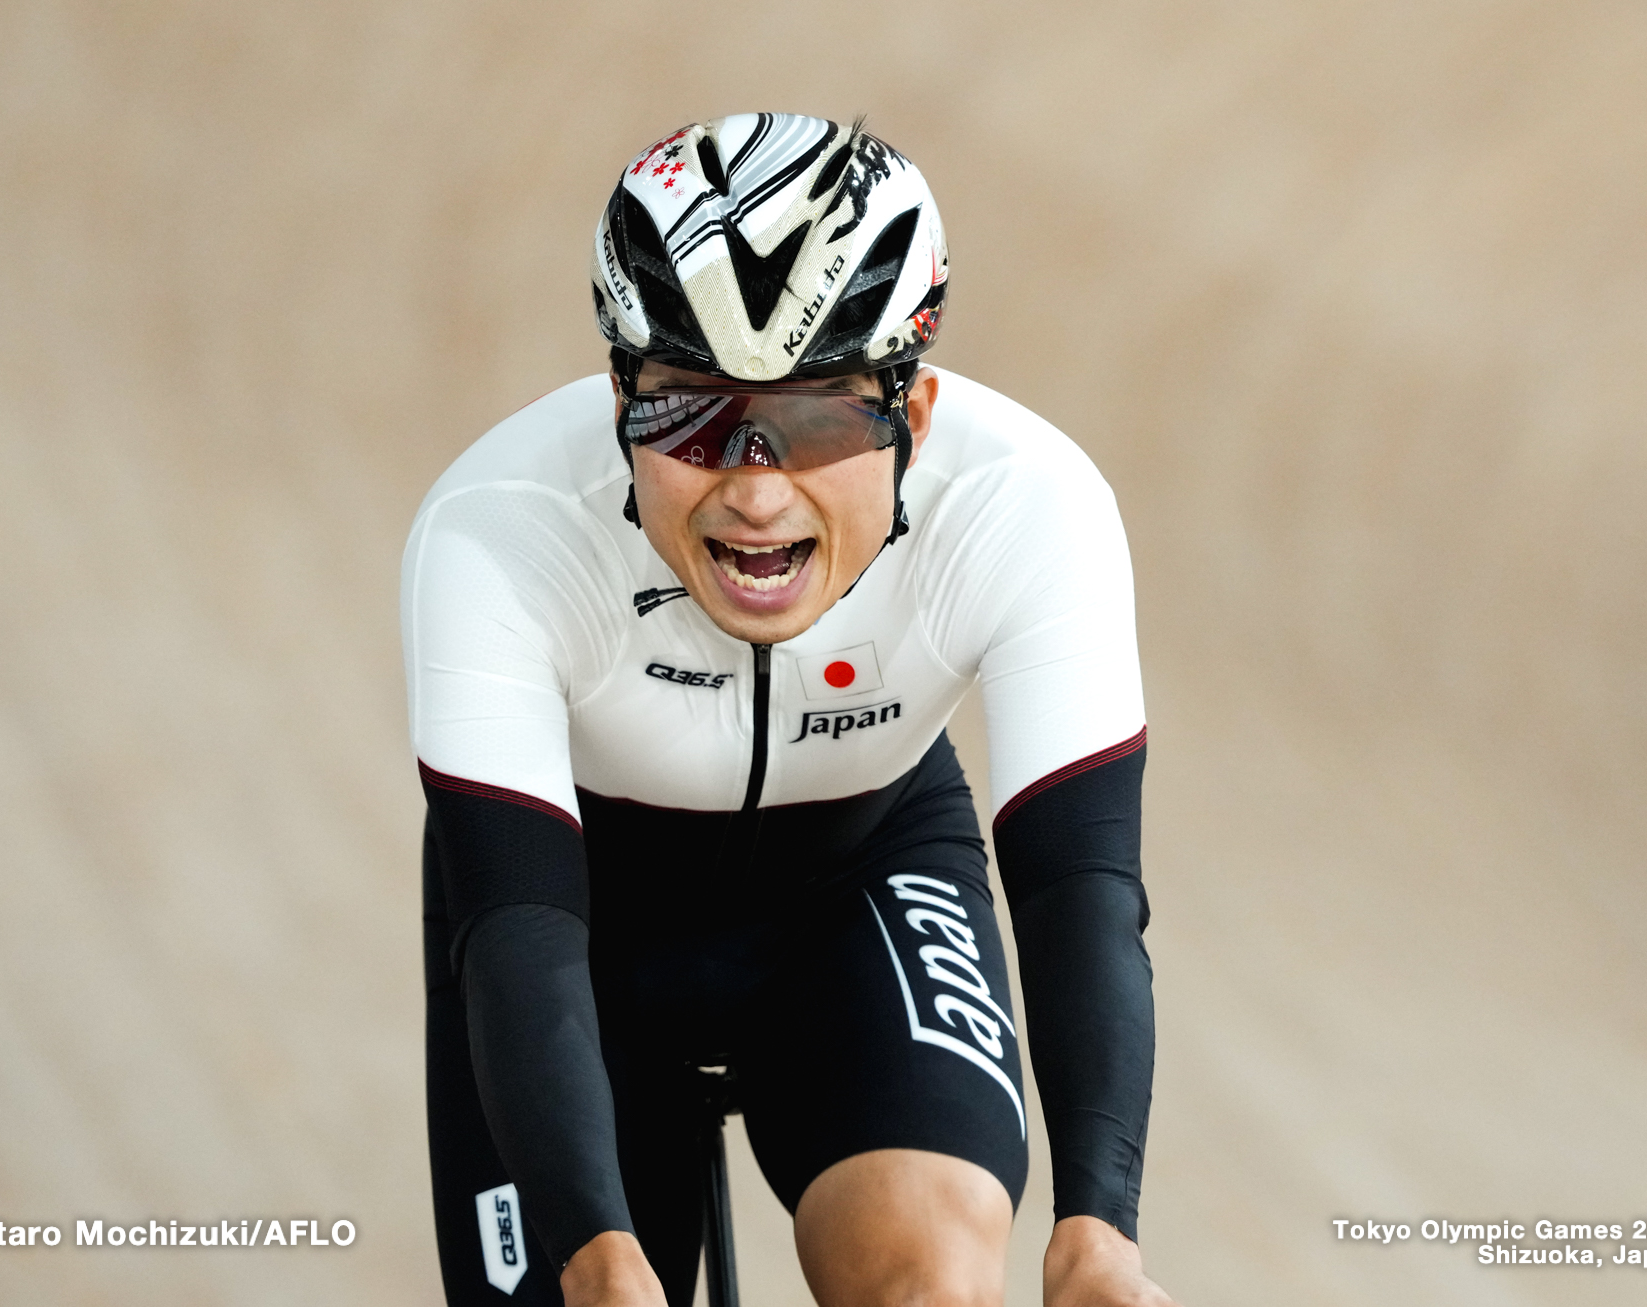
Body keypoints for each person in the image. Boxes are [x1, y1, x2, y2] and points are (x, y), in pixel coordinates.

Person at [404, 112, 1178, 1307]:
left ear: (911, 416)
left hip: (855, 881)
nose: (755, 492)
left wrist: (1097, 1232)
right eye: (692, 417)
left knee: (930, 1283)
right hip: (573, 927)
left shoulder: (1026, 503)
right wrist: (603, 1263)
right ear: (620, 399)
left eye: (817, 419)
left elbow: (1079, 889)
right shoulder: (498, 526)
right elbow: (515, 926)